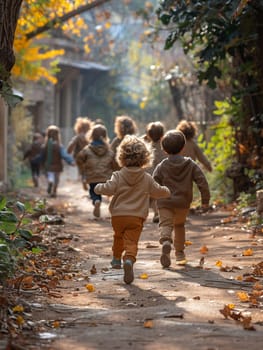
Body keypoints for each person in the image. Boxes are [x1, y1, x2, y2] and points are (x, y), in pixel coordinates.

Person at [94, 135, 170, 284]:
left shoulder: (117, 175)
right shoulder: (146, 177)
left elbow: (108, 189)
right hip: (136, 217)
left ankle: (116, 259)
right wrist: (166, 191)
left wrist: (98, 187)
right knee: (131, 241)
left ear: (122, 156)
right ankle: (128, 259)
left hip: (118, 216)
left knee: (118, 236)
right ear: (145, 158)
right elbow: (157, 191)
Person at [153, 130, 210, 267]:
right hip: (182, 203)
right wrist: (205, 201)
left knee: (166, 224)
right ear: (183, 147)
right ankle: (179, 254)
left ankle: (166, 240)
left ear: (164, 150)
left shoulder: (162, 165)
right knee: (179, 226)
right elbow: (202, 181)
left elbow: (153, 182)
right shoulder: (190, 164)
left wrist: (152, 196)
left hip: (165, 202)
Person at [76, 124, 118, 218]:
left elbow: (79, 159)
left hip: (92, 176)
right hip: (106, 177)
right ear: (105, 136)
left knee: (94, 192)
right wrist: (115, 170)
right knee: (109, 191)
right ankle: (113, 204)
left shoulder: (87, 149)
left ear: (91, 135)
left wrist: (83, 169)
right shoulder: (109, 150)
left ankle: (96, 201)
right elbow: (114, 162)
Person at [41, 125, 75, 198]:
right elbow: (64, 155)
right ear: (57, 135)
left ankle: (50, 182)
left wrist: (38, 162)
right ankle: (54, 191)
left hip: (48, 165)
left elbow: (42, 156)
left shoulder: (45, 146)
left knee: (50, 176)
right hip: (57, 166)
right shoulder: (59, 146)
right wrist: (70, 161)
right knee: (57, 179)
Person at [145, 121, 167, 223]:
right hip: (163, 175)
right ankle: (163, 213)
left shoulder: (148, 148)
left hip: (151, 175)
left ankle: (156, 213)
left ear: (149, 135)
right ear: (162, 134)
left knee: (154, 197)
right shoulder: (165, 147)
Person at [67, 116, 93, 188]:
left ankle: (83, 178)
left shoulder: (77, 137)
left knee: (81, 170)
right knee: (88, 169)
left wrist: (69, 151)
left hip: (78, 156)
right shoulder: (90, 137)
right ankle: (86, 179)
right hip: (88, 156)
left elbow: (71, 144)